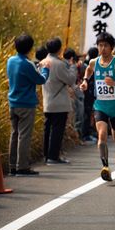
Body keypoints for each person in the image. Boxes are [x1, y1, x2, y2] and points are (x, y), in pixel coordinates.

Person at [79, 32, 115, 182]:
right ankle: (105, 167)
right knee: (101, 135)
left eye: (106, 46)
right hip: (100, 104)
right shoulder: (94, 62)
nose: (102, 48)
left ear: (112, 47)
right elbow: (88, 70)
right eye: (100, 45)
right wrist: (85, 81)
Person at [7, 34, 51, 176]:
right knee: (24, 136)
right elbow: (41, 80)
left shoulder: (11, 60)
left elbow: (26, 71)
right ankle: (23, 166)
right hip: (26, 104)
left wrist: (36, 66)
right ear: (30, 48)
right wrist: (45, 69)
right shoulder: (27, 64)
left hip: (13, 103)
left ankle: (12, 165)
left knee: (14, 134)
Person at [42, 37, 78, 165]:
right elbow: (70, 79)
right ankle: (53, 157)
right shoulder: (59, 64)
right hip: (59, 103)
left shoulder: (43, 62)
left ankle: (46, 155)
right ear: (59, 49)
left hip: (47, 101)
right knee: (57, 130)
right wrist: (73, 66)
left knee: (48, 129)